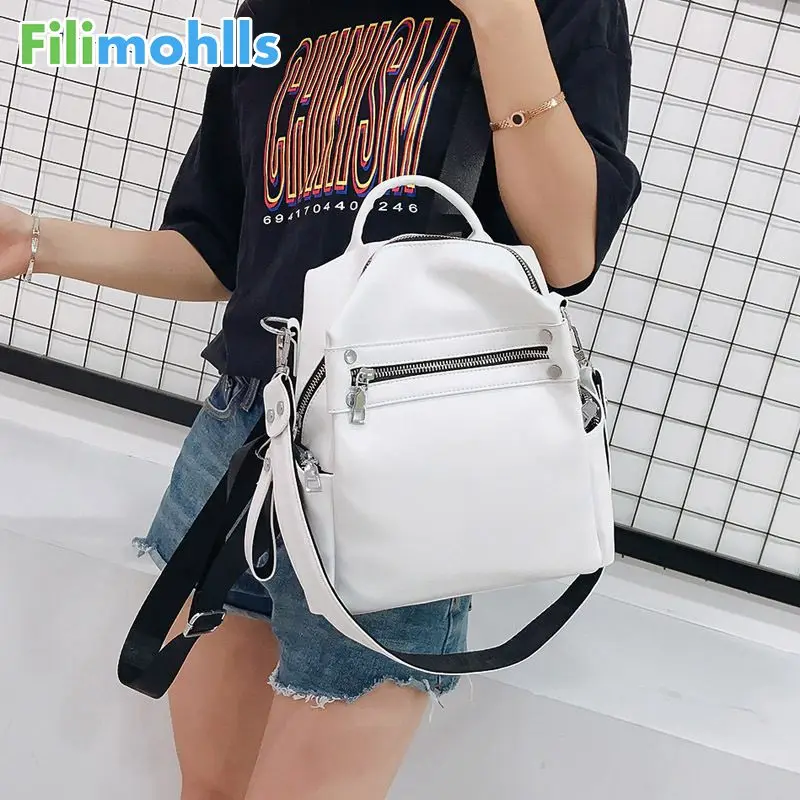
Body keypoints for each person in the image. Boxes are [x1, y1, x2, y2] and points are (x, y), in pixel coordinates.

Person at [0, 0, 641, 797]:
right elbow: (216, 253)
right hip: (239, 438)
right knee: (208, 789)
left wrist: (501, 18)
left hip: (402, 471)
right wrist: (35, 242)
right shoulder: (271, 12)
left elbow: (567, 251)